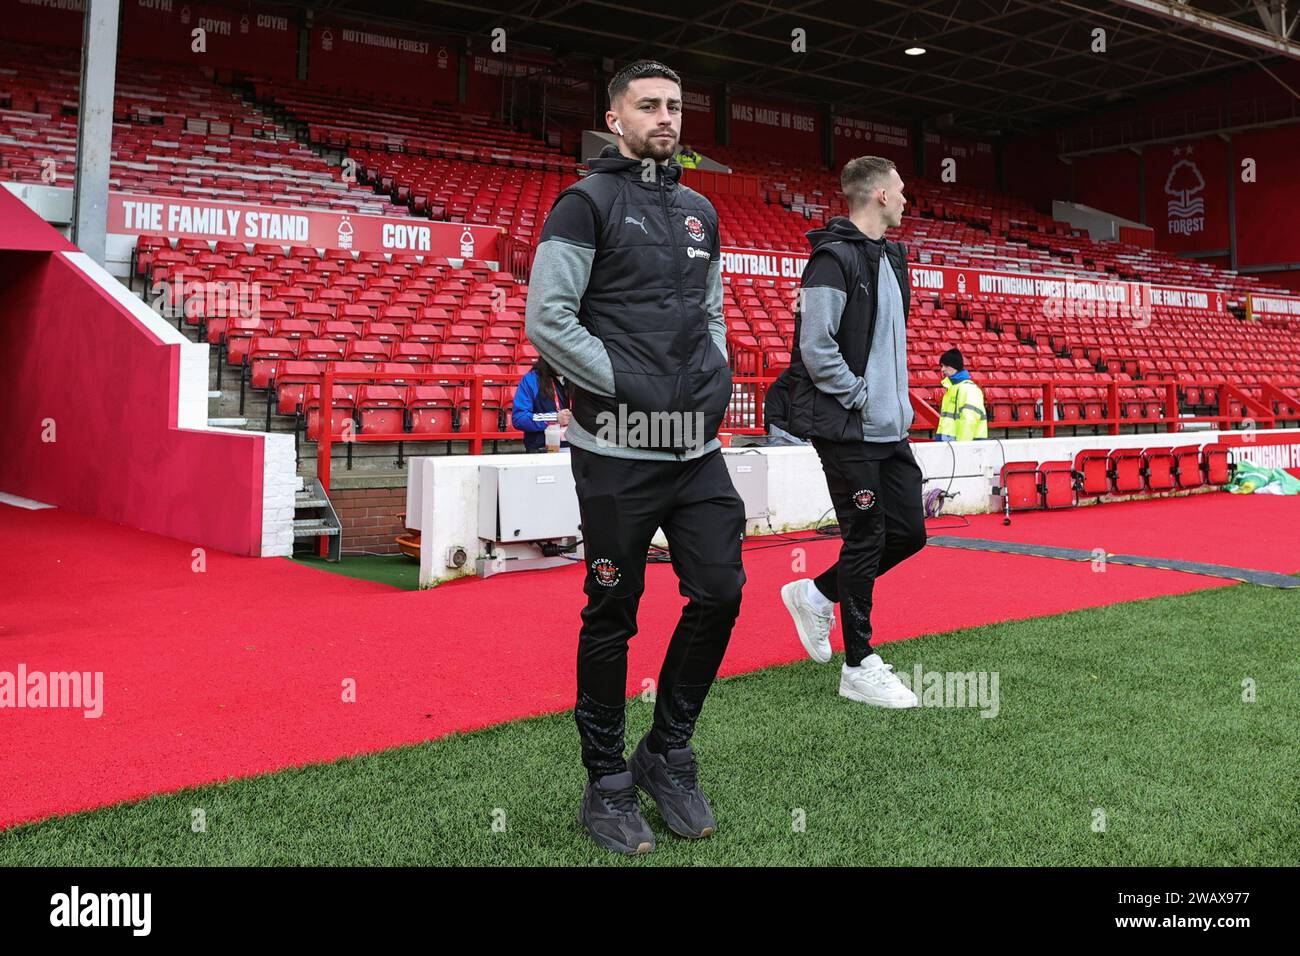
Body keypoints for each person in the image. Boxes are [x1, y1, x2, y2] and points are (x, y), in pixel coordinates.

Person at [524, 60, 744, 855]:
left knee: (721, 591)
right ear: (614, 119)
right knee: (613, 613)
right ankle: (605, 780)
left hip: (696, 450)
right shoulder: (584, 204)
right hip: (617, 451)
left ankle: (667, 751)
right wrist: (636, 387)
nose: (665, 117)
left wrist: (712, 376)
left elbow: (712, 311)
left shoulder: (699, 210)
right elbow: (548, 320)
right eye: (648, 105)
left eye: (675, 106)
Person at [765, 155, 926, 708]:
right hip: (850, 428)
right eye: (900, 189)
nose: (906, 198)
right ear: (880, 194)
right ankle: (860, 664)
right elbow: (816, 348)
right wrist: (861, 396)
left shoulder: (892, 258)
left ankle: (813, 593)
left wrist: (891, 403)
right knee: (867, 537)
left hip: (889, 430)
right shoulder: (830, 261)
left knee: (909, 533)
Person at [510, 358, 571, 452]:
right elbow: (519, 418)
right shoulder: (532, 379)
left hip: (576, 451)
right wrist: (554, 417)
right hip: (542, 450)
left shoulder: (578, 380)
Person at [936, 348, 987, 441]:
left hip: (961, 447)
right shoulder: (952, 388)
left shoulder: (968, 389)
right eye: (941, 366)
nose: (942, 369)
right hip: (950, 444)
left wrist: (962, 448)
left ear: (955, 366)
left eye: (946, 366)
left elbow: (969, 421)